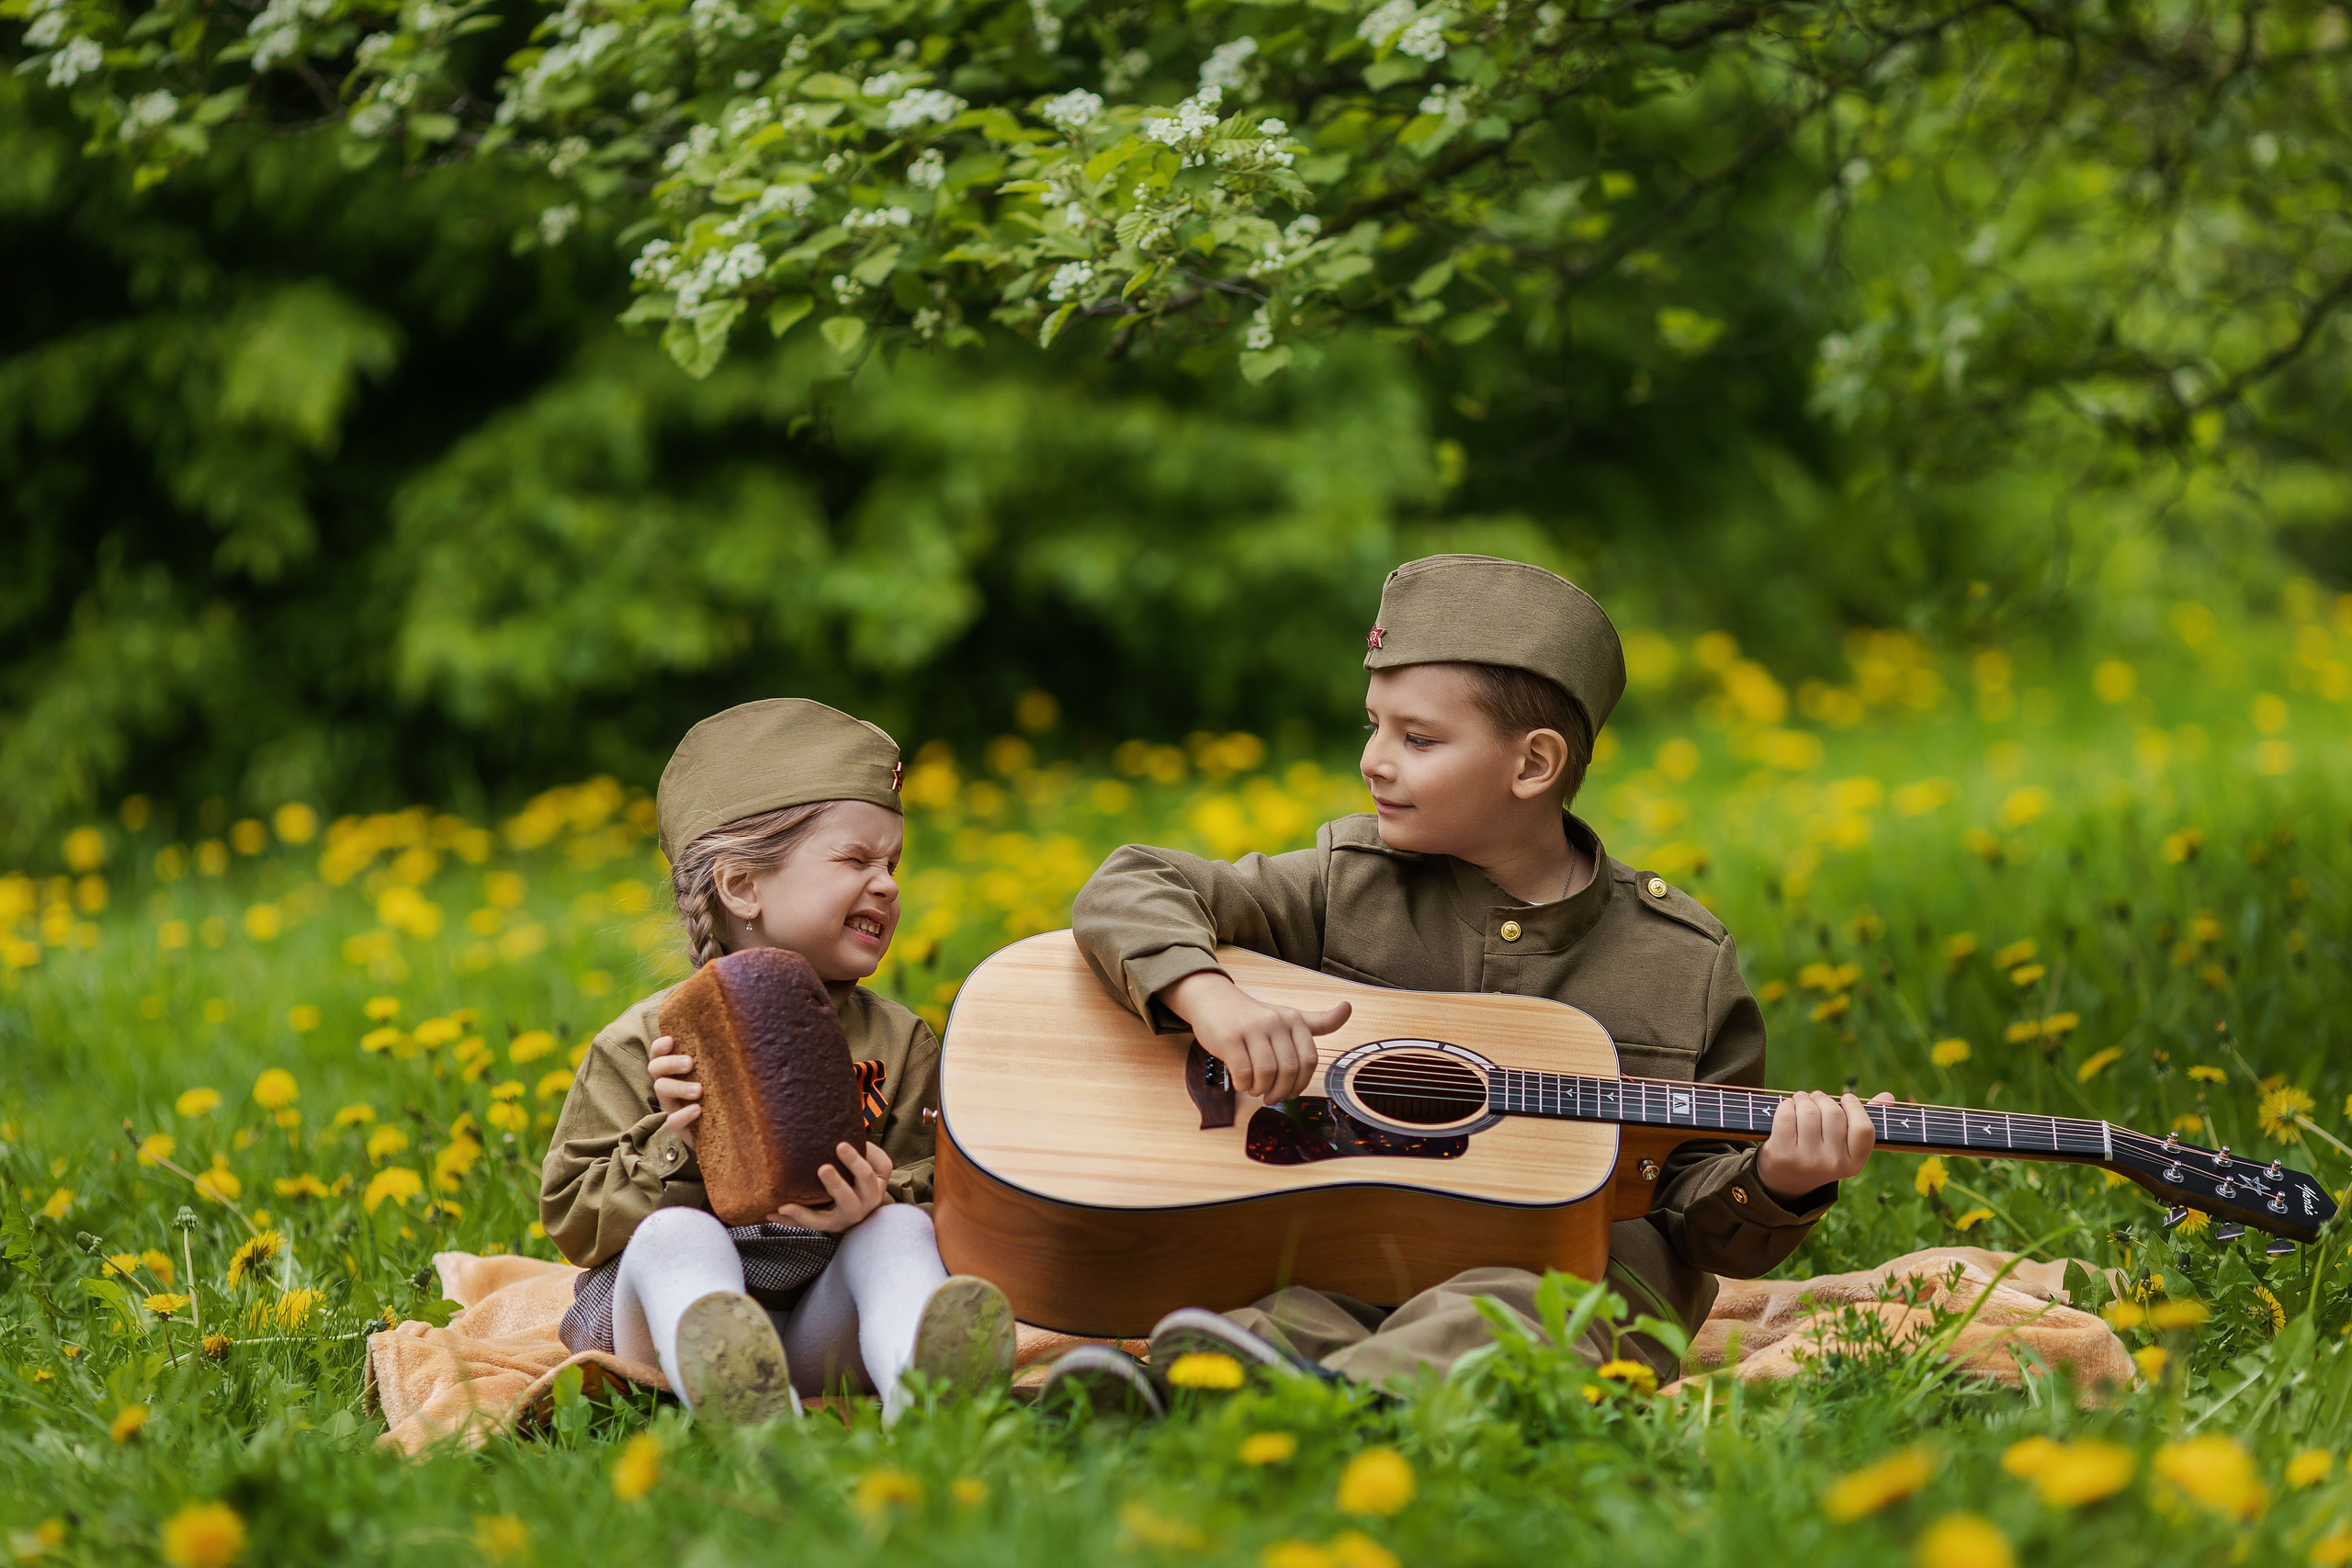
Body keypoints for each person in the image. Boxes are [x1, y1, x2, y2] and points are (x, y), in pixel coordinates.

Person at [1057, 555, 1886, 1400]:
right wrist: (1211, 998)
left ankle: (1293, 1400)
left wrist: (1780, 1179)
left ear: (1532, 765)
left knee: (1513, 1309)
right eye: (1373, 724)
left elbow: (1698, 1220)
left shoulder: (1680, 961)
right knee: (1283, 1309)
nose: (1374, 760)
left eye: (1417, 739)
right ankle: (1225, 1380)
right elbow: (1130, 884)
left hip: (1570, 1289)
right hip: (1357, 1249)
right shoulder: (1349, 881)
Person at [540, 698, 1014, 1425]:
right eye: (856, 859)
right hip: (664, 1329)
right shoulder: (646, 1042)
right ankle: (742, 1399)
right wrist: (679, 1141)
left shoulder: (901, 1039)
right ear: (741, 886)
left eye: (892, 862)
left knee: (898, 1235)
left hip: (821, 1319)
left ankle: (927, 1399)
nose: (887, 883)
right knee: (677, 1236)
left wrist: (883, 1201)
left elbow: (949, 1187)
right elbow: (573, 1216)